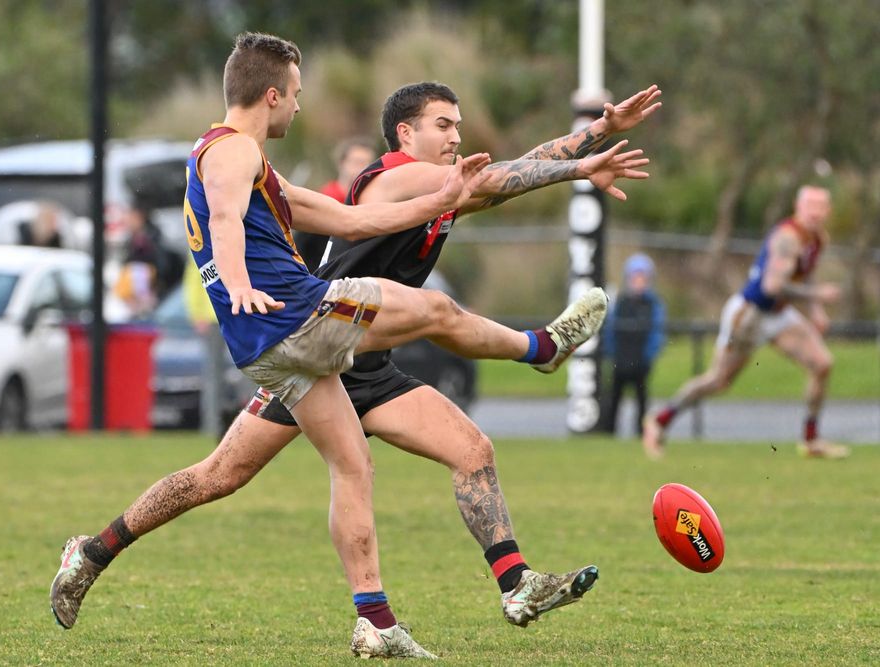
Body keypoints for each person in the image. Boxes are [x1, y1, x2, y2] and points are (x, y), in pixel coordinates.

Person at [51, 33, 653, 659]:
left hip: (293, 350)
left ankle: (101, 555)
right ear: (273, 94)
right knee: (436, 309)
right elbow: (226, 219)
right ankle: (541, 348)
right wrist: (235, 284)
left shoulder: (266, 171)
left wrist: (461, 191)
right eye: (443, 125)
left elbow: (349, 220)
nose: (301, 109)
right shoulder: (234, 152)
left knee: (296, 470)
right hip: (304, 320)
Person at [643, 185, 850, 460]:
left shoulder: (818, 239)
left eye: (819, 207)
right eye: (809, 206)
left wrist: (816, 311)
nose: (814, 212)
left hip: (780, 315)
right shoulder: (788, 237)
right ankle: (659, 421)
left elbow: (805, 273)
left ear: (827, 211)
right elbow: (772, 286)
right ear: (797, 207)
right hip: (750, 315)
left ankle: (810, 440)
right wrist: (818, 295)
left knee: (822, 364)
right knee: (718, 381)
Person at [601, 253, 666, 435]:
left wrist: (648, 356)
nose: (638, 281)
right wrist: (612, 353)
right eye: (635, 277)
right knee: (613, 399)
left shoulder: (653, 305)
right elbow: (610, 331)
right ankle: (608, 432)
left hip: (641, 362)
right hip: (620, 360)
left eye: (642, 277)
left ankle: (641, 433)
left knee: (641, 401)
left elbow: (657, 334)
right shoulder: (620, 302)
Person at [294, 137, 377, 272]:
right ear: (341, 164)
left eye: (368, 164)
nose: (363, 169)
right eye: (357, 162)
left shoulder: (368, 204)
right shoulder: (324, 199)